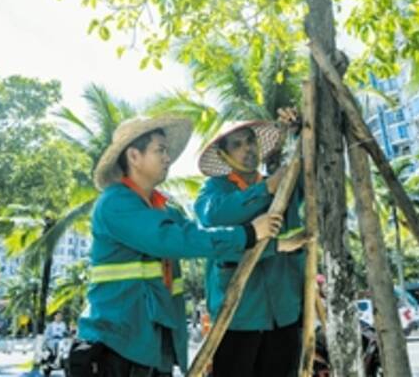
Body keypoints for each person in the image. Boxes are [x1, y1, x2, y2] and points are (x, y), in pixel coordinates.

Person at [73, 116, 283, 377]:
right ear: (134, 156)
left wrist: (273, 244)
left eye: (167, 151)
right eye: (159, 150)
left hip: (152, 346)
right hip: (117, 342)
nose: (167, 158)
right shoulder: (116, 203)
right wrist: (249, 233)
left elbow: (200, 236)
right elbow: (174, 240)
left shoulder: (165, 209)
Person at [194, 108, 305, 377]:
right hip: (237, 317)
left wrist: (299, 132)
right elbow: (214, 219)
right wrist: (265, 190)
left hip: (286, 311)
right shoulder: (214, 190)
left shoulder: (282, 183)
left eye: (250, 141)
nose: (247, 149)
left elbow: (309, 171)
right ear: (224, 154)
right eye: (237, 144)